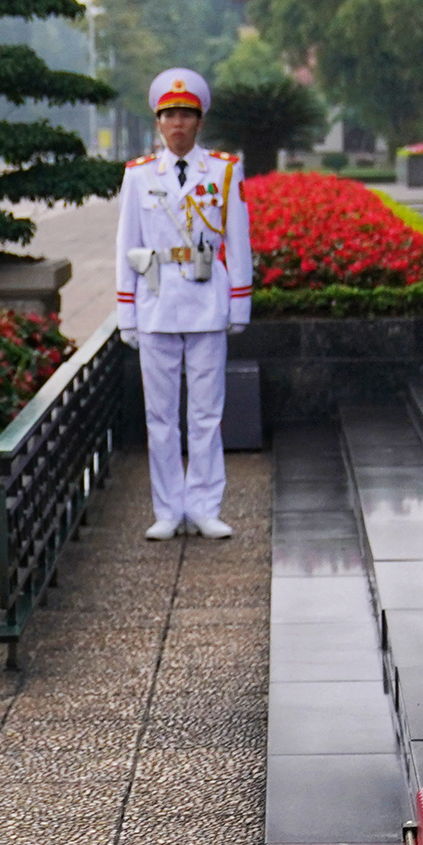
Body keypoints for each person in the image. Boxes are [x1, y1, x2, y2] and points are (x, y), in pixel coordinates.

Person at [114, 67, 251, 541]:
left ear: (199, 122)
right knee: (160, 417)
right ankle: (168, 509)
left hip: (207, 298)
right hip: (156, 300)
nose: (177, 124)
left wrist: (240, 303)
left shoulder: (224, 171)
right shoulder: (137, 176)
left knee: (207, 415)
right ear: (158, 122)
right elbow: (126, 245)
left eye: (186, 115)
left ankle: (205, 506)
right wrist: (126, 311)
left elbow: (239, 240)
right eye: (169, 115)